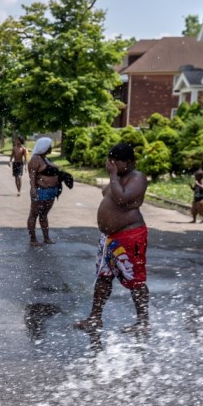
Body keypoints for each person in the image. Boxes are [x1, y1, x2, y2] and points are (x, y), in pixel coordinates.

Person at [74, 143, 150, 334]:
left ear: (129, 162)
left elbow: (122, 198)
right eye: (111, 161)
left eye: (117, 161)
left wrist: (114, 175)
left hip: (129, 235)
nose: (113, 164)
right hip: (109, 238)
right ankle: (95, 318)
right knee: (103, 277)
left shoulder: (137, 177)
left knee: (136, 279)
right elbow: (109, 193)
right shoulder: (120, 176)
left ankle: (143, 322)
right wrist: (115, 175)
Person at [27, 137, 62, 246]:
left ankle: (46, 238)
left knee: (44, 215)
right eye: (49, 146)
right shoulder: (36, 160)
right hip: (40, 191)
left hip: (50, 192)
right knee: (34, 214)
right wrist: (33, 190)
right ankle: (33, 240)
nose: (51, 148)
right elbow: (32, 177)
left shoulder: (45, 159)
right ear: (44, 147)